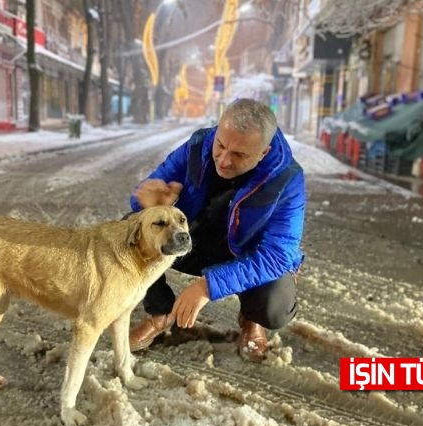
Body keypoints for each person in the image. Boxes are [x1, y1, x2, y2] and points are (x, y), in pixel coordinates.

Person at [128, 98, 306, 361]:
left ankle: (252, 319)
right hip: (194, 242)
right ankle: (161, 312)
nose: (223, 160)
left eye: (239, 155)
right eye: (221, 146)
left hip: (244, 254)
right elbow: (149, 189)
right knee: (131, 228)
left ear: (264, 152)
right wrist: (150, 205)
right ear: (218, 130)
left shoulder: (287, 179)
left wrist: (207, 287)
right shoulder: (198, 146)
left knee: (275, 307)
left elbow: (277, 256)